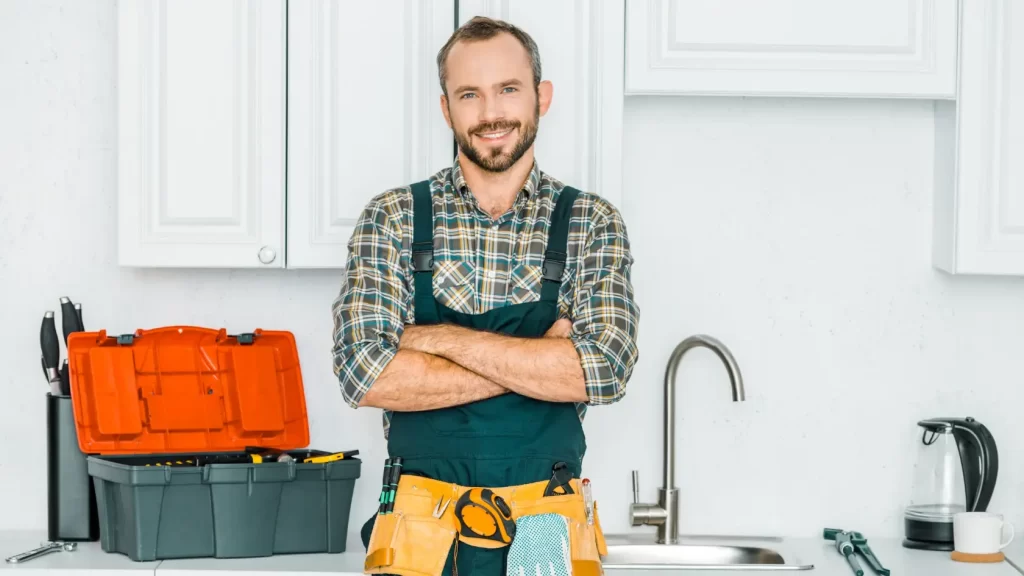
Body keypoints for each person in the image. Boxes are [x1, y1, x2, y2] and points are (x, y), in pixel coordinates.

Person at [331, 15, 640, 576]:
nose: (491, 112)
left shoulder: (590, 223)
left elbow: (603, 370)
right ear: (447, 109)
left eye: (508, 89)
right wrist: (537, 360)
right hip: (417, 535)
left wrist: (436, 340)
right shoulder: (393, 219)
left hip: (547, 531)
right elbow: (365, 374)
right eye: (469, 93)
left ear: (541, 98)